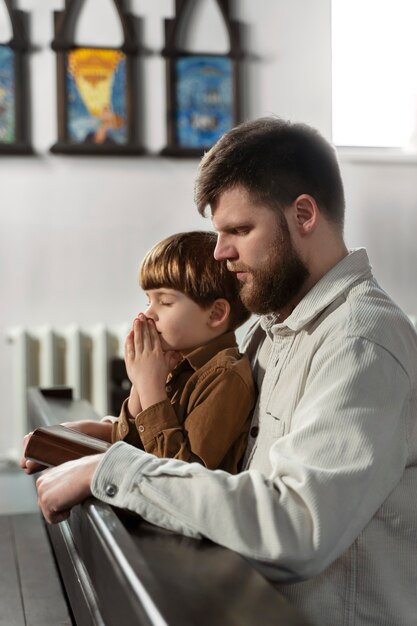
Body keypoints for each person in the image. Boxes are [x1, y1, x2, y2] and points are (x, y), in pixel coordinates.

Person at [26, 117, 417, 626]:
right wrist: (107, 433)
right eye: (218, 232)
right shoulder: (268, 330)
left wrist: (113, 469)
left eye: (239, 230)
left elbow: (296, 523)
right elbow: (215, 454)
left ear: (303, 214)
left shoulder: (361, 341)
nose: (220, 252)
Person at [23, 231, 256, 473]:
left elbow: (179, 474)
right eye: (148, 301)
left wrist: (149, 386)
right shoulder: (174, 360)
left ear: (216, 314)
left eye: (165, 302)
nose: (147, 314)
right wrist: (137, 386)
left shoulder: (225, 377)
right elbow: (134, 442)